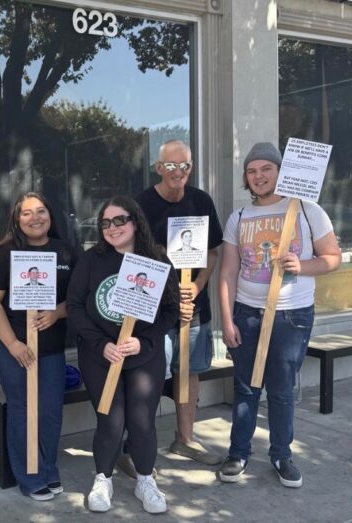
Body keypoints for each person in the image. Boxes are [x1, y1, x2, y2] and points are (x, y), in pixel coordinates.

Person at [218, 142, 341, 487]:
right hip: (247, 313)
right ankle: (238, 453)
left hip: (292, 316)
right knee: (245, 388)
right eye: (251, 171)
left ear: (280, 171)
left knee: (282, 389)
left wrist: (302, 265)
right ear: (246, 177)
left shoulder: (307, 210)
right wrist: (226, 319)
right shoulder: (239, 217)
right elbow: (228, 272)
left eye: (266, 169)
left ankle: (281, 454)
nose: (258, 176)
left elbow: (333, 258)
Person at [67, 195, 179, 514]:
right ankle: (103, 479)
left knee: (142, 421)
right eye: (105, 222)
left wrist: (144, 342)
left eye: (119, 220)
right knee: (110, 420)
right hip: (101, 356)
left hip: (144, 356)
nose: (112, 228)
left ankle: (145, 479)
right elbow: (75, 306)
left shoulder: (156, 260)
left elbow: (171, 310)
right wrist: (100, 343)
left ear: (135, 222)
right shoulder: (91, 260)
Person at [132, 139, 224, 468]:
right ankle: (136, 446)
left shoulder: (201, 201)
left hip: (193, 308)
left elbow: (212, 251)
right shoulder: (141, 205)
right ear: (159, 168)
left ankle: (185, 439)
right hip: (155, 310)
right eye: (171, 165)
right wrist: (167, 295)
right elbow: (132, 259)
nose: (178, 172)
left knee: (189, 372)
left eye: (184, 165)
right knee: (150, 375)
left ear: (191, 168)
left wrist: (197, 286)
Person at [0, 192, 77, 501]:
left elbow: (78, 297)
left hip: (51, 345)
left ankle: (48, 468)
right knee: (22, 406)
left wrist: (57, 312)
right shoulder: (2, 253)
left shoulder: (65, 251)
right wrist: (13, 344)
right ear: (17, 219)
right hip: (9, 343)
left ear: (50, 215)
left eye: (41, 211)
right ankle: (29, 474)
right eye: (27, 213)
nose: (35, 218)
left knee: (50, 409)